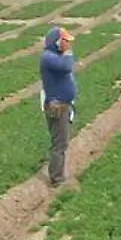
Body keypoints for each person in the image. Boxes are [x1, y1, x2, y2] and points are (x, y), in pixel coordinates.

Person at [39, 26, 77, 187]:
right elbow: (66, 67)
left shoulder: (55, 56)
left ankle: (58, 174)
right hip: (57, 106)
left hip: (64, 105)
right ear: (56, 42)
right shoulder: (48, 57)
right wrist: (67, 52)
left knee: (62, 142)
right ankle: (56, 179)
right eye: (65, 41)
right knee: (59, 144)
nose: (68, 44)